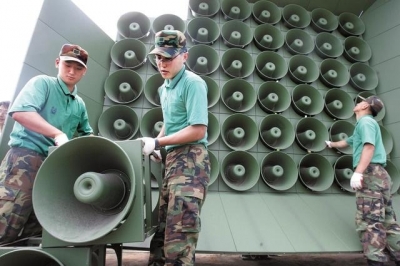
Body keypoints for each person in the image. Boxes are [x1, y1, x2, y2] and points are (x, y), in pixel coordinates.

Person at [0, 43, 94, 245]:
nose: (72, 71)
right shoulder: (42, 84)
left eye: (78, 68)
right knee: (8, 220)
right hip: (24, 160)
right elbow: (21, 112)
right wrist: (57, 133)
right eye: (68, 65)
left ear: (84, 72)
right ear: (57, 62)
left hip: (52, 167)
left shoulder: (79, 104)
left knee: (36, 226)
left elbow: (88, 136)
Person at [138, 30, 210, 266]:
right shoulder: (165, 87)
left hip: (191, 159)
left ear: (184, 56)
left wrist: (159, 143)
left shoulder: (193, 84)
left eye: (168, 57)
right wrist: (159, 143)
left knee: (180, 228)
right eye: (158, 58)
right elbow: (170, 122)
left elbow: (198, 129)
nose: (162, 63)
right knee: (163, 226)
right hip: (172, 160)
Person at [326, 95, 400, 266]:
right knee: (388, 219)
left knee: (369, 220)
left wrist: (359, 172)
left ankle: (376, 261)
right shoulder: (364, 125)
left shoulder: (366, 123)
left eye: (360, 101)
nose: (357, 103)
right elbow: (347, 142)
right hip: (381, 175)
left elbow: (369, 146)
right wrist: (331, 144)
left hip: (370, 174)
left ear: (366, 105)